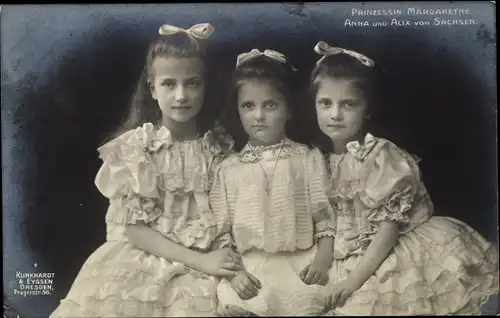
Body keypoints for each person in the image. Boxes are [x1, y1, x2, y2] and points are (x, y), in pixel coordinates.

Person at [49, 23, 242, 318]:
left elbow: (226, 221)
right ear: (152, 88)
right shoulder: (136, 149)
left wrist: (216, 261)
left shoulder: (218, 150)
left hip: (207, 262)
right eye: (169, 84)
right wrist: (201, 262)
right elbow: (136, 231)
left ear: (205, 86)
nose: (181, 95)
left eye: (192, 83)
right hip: (142, 259)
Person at [307, 40, 499, 316]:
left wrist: (353, 281)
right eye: (325, 103)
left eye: (348, 104)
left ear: (367, 109)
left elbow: (388, 230)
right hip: (348, 253)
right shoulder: (320, 159)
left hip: (393, 248)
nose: (335, 114)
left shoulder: (380, 155)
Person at [209, 49, 336, 316]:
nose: (258, 116)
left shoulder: (307, 157)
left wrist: (323, 262)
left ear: (289, 110)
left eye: (270, 105)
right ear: (238, 110)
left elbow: (324, 219)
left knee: (309, 303)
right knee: (244, 305)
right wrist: (234, 275)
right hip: (249, 268)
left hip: (301, 264)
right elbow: (223, 234)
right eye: (248, 106)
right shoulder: (227, 169)